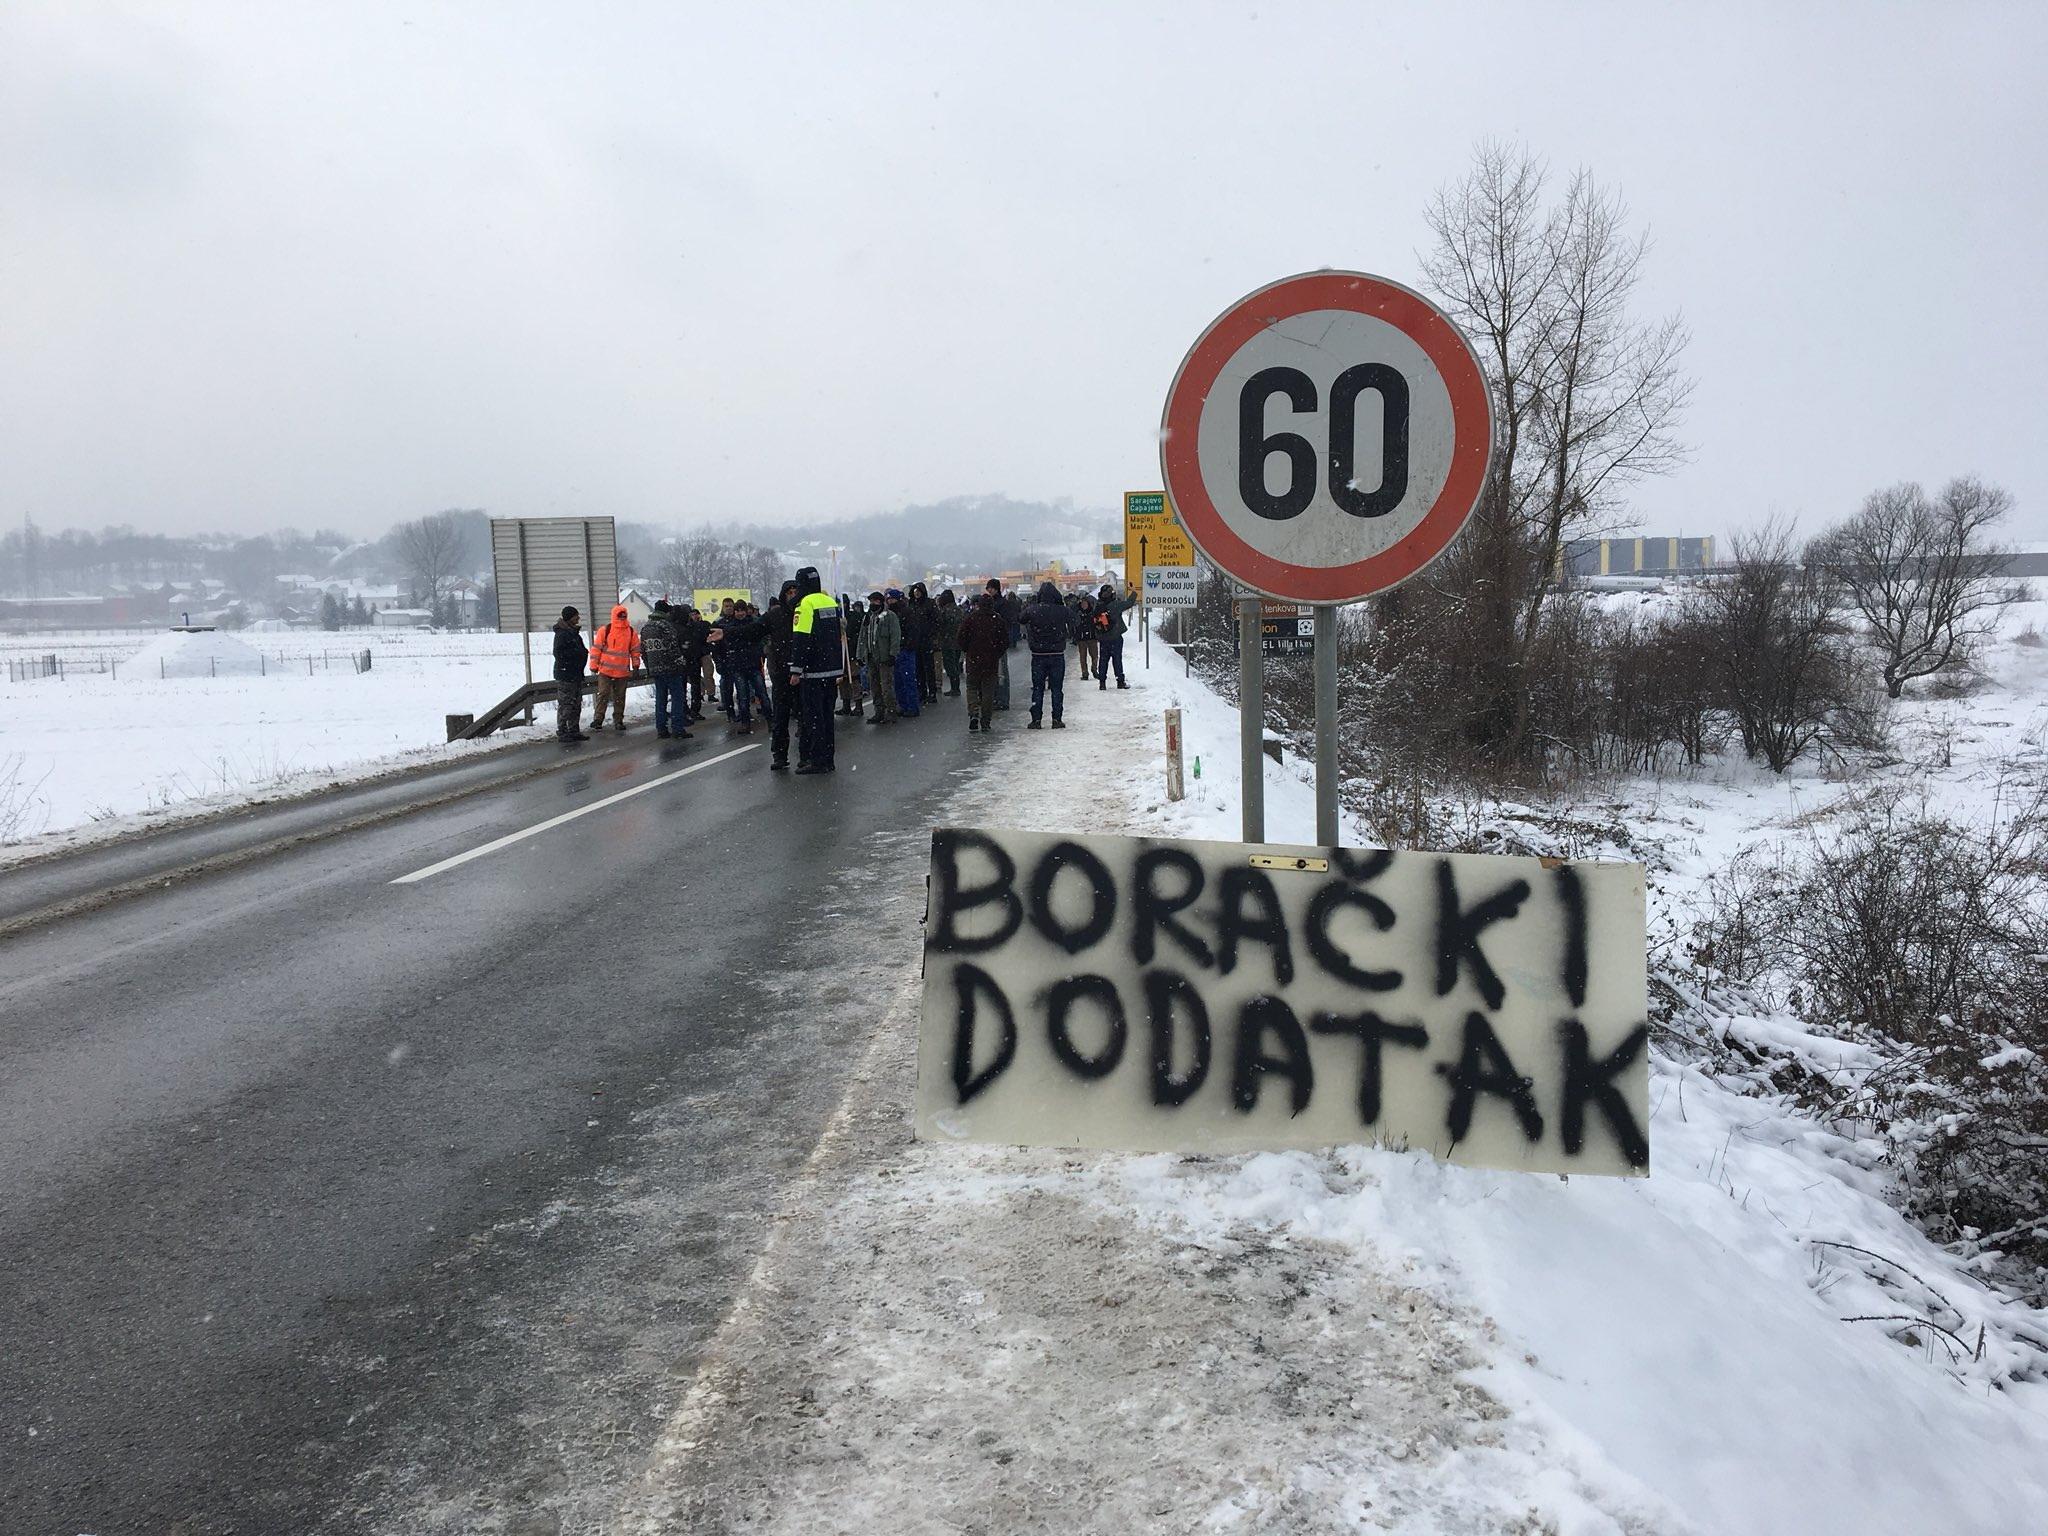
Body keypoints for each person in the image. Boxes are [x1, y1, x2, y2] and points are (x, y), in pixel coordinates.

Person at [787, 566, 842, 774]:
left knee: (814, 718)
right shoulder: (830, 602)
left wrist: (796, 669)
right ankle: (828, 759)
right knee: (828, 717)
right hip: (831, 669)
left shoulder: (805, 605)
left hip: (813, 670)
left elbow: (801, 639)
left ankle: (817, 761)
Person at [1022, 580, 1078, 729]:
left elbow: (1021, 619)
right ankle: (1057, 719)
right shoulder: (1062, 610)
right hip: (1057, 653)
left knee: (1038, 687)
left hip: (1038, 654)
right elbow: (1075, 621)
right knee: (1057, 688)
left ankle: (1036, 719)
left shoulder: (1033, 610)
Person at [639, 599, 694, 740]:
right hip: (671, 667)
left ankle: (661, 728)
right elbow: (672, 647)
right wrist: (680, 661)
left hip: (655, 668)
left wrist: (649, 665)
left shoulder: (645, 628)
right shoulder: (666, 626)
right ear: (665, 612)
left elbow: (643, 650)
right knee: (677, 698)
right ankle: (677, 728)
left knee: (660, 698)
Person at [763, 580, 801, 768]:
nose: (792, 595)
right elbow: (754, 629)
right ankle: (779, 755)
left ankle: (806, 755)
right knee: (780, 717)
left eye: (795, 591)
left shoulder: (805, 612)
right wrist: (728, 633)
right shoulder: (775, 615)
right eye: (789, 592)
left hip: (802, 673)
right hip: (781, 673)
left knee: (806, 717)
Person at [959, 591, 1008, 734]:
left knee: (972, 687)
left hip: (974, 659)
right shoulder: (997, 619)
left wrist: (968, 649)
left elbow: (961, 637)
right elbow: (1004, 640)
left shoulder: (971, 619)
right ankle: (985, 721)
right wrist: (997, 652)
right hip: (991, 661)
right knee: (988, 691)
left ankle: (973, 713)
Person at [587, 602, 642, 731]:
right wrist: (593, 665)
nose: (622, 618)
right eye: (620, 615)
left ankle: (618, 720)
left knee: (619, 697)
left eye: (624, 616)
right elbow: (596, 650)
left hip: (621, 672)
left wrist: (636, 666)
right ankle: (598, 719)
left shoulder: (630, 631)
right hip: (606, 670)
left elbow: (635, 650)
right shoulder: (606, 630)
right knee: (604, 694)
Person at [721, 601, 771, 733]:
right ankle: (745, 723)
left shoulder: (754, 623)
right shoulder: (729, 625)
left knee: (762, 695)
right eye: (738, 611)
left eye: (742, 610)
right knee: (743, 697)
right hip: (738, 666)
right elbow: (729, 643)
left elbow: (757, 638)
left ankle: (771, 721)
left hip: (753, 664)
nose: (740, 613)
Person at [861, 591, 901, 724]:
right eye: (871, 601)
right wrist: (861, 654)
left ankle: (891, 711)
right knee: (874, 686)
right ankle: (879, 711)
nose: (873, 604)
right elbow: (863, 637)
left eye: (876, 601)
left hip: (884, 657)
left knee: (886, 686)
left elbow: (895, 636)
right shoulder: (868, 618)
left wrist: (892, 654)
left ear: (881, 602)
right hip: (872, 657)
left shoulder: (890, 616)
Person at [552, 605, 589, 743]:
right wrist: (577, 655)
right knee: (566, 704)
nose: (578, 618)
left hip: (575, 674)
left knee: (576, 704)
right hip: (567, 675)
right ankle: (562, 731)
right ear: (569, 617)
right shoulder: (562, 634)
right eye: (576, 616)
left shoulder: (572, 633)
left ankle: (573, 729)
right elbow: (559, 654)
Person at [1096, 583, 1138, 689]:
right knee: (1117, 660)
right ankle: (1120, 681)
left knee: (1103, 660)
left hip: (1103, 638)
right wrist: (1134, 592)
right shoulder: (1115, 605)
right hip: (1115, 637)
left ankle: (1102, 682)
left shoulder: (1098, 605)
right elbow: (1129, 603)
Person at [886, 590, 922, 717]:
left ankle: (912, 706)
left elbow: (913, 630)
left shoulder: (907, 612)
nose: (890, 601)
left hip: (905, 649)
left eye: (892, 599)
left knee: (908, 679)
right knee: (898, 680)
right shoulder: (889, 614)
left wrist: (908, 645)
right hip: (896, 649)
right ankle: (903, 705)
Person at [906, 581, 939, 703]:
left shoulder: (929, 604)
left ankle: (932, 691)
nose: (917, 594)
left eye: (919, 591)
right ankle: (922, 691)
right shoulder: (911, 604)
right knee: (918, 668)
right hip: (915, 640)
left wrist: (931, 633)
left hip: (926, 640)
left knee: (929, 668)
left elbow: (936, 620)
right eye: (915, 592)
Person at [680, 603, 712, 721]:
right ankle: (694, 709)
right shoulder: (695, 626)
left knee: (687, 686)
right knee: (694, 685)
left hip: (686, 659)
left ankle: (687, 709)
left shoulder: (680, 627)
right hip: (693, 659)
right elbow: (703, 638)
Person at [838, 593, 866, 715]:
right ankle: (846, 704)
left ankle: (858, 705)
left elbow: (859, 635)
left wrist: (849, 639)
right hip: (840, 653)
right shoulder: (836, 618)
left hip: (852, 652)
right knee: (842, 679)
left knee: (854, 678)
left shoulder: (855, 617)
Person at [936, 588, 964, 696]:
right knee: (955, 664)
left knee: (950, 665)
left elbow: (940, 626)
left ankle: (955, 688)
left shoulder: (944, 611)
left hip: (947, 642)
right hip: (958, 641)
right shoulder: (958, 610)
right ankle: (955, 687)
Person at [1074, 592, 1099, 680]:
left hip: (1092, 637)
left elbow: (1097, 623)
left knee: (1095, 655)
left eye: (1085, 603)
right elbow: (1075, 625)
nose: (1084, 605)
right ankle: (1085, 673)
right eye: (1082, 604)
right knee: (1082, 657)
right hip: (1081, 638)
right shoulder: (1078, 614)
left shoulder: (1093, 613)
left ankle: (1094, 669)